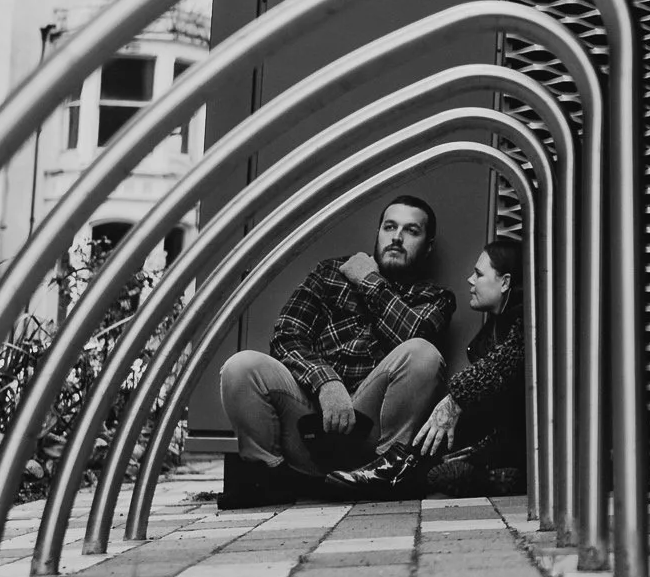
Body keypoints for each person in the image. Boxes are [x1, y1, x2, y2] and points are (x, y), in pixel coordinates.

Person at [219, 194, 455, 482]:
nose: (397, 238)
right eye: (389, 227)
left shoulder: (435, 298)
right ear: (378, 233)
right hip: (309, 422)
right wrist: (326, 382)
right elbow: (286, 336)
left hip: (369, 438)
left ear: (427, 246)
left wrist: (370, 282)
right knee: (241, 366)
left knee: (423, 353)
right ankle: (269, 477)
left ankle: (384, 475)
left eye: (411, 231)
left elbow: (415, 337)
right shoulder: (330, 274)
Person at [411, 236, 527, 491]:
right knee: (435, 467)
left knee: (437, 474)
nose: (470, 281)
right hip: (504, 443)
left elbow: (508, 360)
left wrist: (456, 398)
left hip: (534, 444)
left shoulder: (529, 319)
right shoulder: (495, 328)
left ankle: (508, 477)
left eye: (479, 274)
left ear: (505, 282)